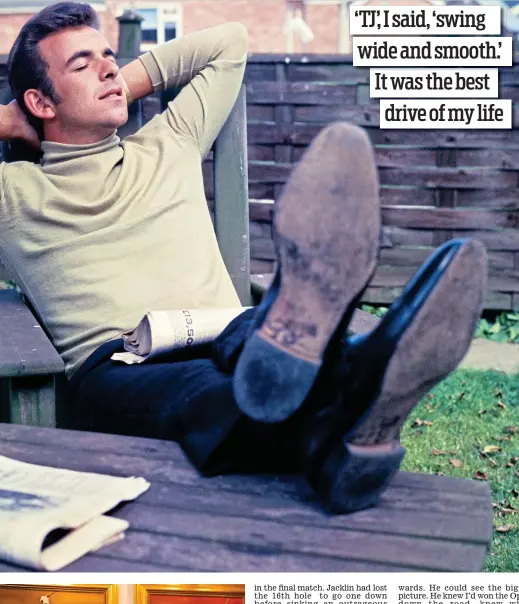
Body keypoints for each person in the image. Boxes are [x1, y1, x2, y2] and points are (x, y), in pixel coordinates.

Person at [1, 3, 487, 514]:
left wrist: (110, 83)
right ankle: (361, 383)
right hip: (120, 366)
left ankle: (333, 403)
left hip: (224, 329)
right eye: (83, 65)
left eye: (109, 57)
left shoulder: (171, 141)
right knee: (203, 389)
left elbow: (228, 42)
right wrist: (13, 117)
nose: (109, 69)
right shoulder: (15, 195)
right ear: (40, 99)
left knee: (254, 333)